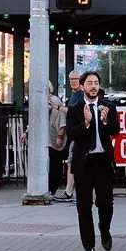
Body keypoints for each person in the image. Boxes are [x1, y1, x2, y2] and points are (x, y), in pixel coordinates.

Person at [64, 71, 119, 251]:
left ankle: (105, 229)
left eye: (96, 82)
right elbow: (71, 133)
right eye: (89, 83)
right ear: (82, 86)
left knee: (105, 202)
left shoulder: (108, 107)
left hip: (103, 160)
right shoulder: (75, 109)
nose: (93, 86)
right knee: (83, 205)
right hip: (84, 163)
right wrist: (86, 123)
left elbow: (115, 131)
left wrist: (105, 121)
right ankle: (89, 246)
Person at [52, 70, 85, 202]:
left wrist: (57, 107)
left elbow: (73, 111)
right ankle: (70, 191)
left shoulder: (81, 95)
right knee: (72, 163)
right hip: (74, 134)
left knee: (73, 163)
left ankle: (70, 192)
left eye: (76, 79)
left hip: (79, 134)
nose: (73, 81)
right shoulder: (74, 94)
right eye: (71, 79)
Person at [46, 81, 68, 198]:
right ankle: (49, 188)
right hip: (47, 139)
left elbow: (62, 119)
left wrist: (60, 136)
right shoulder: (41, 101)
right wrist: (26, 132)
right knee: (50, 164)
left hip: (54, 139)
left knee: (54, 164)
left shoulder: (55, 100)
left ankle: (52, 188)